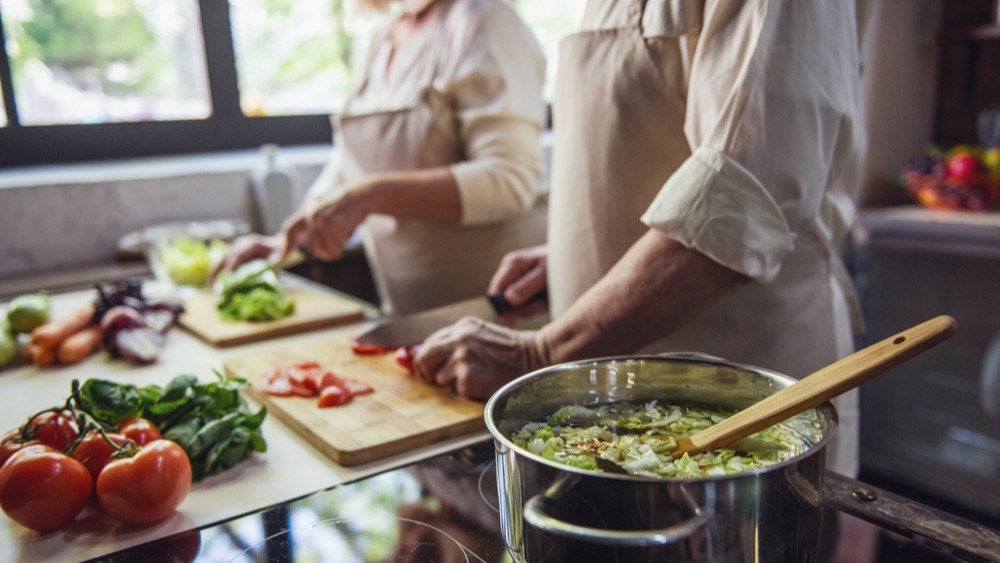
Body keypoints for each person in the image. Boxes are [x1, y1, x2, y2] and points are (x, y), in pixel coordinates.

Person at [413, 0, 869, 481]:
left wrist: (539, 356)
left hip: (743, 414)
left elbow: (743, 196)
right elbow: (650, 141)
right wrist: (577, 254)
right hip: (614, 422)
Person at [215, 0, 548, 316]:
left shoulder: (484, 21)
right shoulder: (384, 36)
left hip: (501, 314)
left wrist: (370, 197)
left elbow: (511, 179)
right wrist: (288, 240)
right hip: (407, 315)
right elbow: (352, 163)